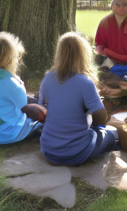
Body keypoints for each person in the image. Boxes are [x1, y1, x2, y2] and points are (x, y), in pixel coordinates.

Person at [39, 32, 119, 166]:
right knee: (111, 134)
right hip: (77, 152)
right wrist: (97, 127)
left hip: (49, 150)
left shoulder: (48, 78)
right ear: (83, 56)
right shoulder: (85, 82)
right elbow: (100, 115)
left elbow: (43, 107)